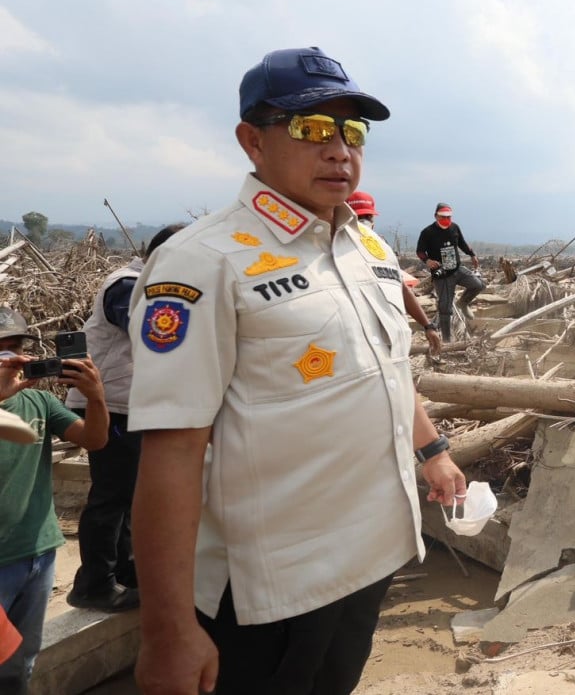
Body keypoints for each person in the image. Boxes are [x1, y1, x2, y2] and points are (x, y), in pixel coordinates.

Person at [127, 46, 467, 695]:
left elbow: (388, 368)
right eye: (313, 129)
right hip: (269, 592)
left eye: (352, 131)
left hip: (369, 561)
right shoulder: (203, 263)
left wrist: (435, 450)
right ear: (251, 140)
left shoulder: (364, 245)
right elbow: (170, 452)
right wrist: (166, 630)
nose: (339, 149)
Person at [64, 225, 185, 613]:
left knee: (130, 492)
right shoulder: (128, 284)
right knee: (112, 493)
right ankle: (94, 584)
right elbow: (150, 328)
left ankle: (125, 574)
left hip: (128, 403)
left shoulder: (150, 285)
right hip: (107, 403)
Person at [0, 307, 108, 694]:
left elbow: (94, 440)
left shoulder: (40, 406)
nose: (11, 360)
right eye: (0, 351)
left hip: (39, 553)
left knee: (22, 662)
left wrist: (95, 396)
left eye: (16, 349)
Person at [348, 190, 442, 355]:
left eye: (368, 217)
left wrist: (428, 326)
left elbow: (401, 288)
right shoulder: (334, 253)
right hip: (356, 341)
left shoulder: (381, 249)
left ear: (373, 221)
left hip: (389, 337)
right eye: (358, 218)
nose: (364, 223)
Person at [415, 202, 484, 342]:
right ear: (436, 216)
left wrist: (472, 254)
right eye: (442, 217)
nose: (446, 220)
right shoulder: (427, 232)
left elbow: (462, 244)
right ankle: (447, 340)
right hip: (442, 275)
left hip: (457, 268)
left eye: (448, 217)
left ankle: (463, 303)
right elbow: (420, 251)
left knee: (478, 285)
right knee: (445, 308)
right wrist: (427, 261)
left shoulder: (454, 228)